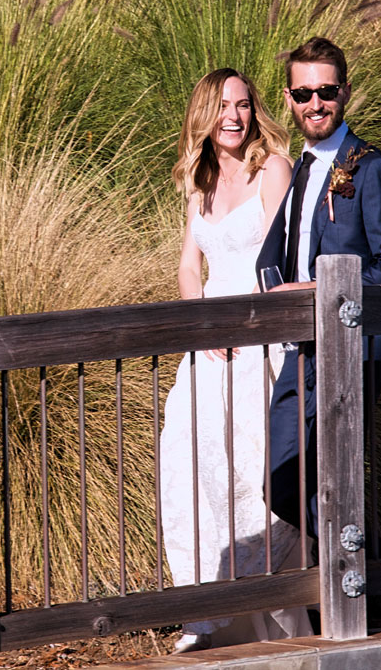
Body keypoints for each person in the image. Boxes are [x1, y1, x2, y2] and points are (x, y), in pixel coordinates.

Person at [160, 68, 312, 653]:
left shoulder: (271, 168)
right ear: (204, 112)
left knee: (257, 475)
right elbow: (187, 265)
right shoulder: (198, 181)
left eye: (244, 105)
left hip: (259, 341)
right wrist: (200, 322)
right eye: (224, 105)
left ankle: (272, 616)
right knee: (198, 473)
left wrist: (250, 321)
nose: (235, 115)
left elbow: (286, 254)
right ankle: (212, 614)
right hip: (208, 351)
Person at [255, 37, 381, 538]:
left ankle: (365, 589)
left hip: (348, 350)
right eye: (303, 94)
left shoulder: (372, 169)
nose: (315, 104)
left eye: (325, 91)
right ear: (288, 99)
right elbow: (283, 251)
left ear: (345, 92)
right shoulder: (300, 168)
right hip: (299, 350)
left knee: (332, 482)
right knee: (281, 484)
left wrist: (312, 290)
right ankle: (369, 570)